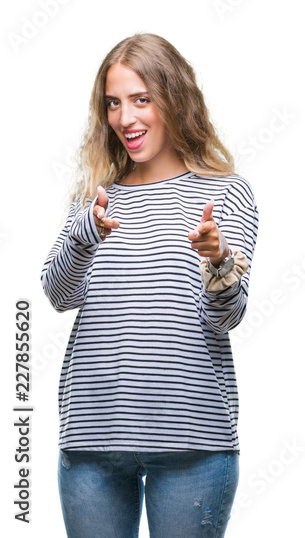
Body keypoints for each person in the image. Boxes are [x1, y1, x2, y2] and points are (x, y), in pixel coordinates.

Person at [40, 33, 257, 537]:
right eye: (114, 103)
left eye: (142, 100)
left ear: (173, 100)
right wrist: (86, 234)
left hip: (193, 445)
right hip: (92, 442)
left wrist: (218, 258)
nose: (126, 118)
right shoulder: (95, 198)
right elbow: (58, 294)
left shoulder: (227, 192)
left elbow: (228, 316)